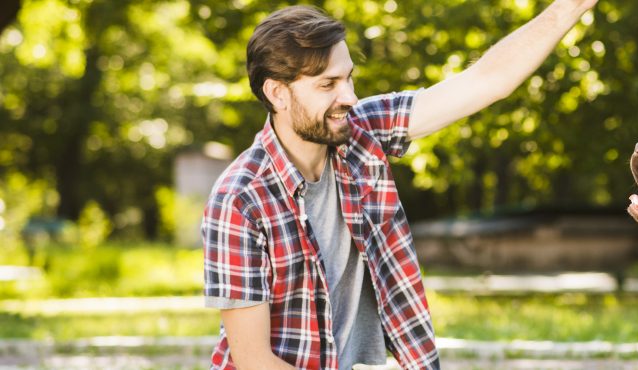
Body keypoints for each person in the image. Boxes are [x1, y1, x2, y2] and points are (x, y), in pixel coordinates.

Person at [200, 1, 596, 369]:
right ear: (277, 93)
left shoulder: (361, 134)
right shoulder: (239, 200)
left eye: (349, 78)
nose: (350, 97)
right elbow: (253, 361)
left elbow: (487, 80)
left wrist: (568, 7)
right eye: (328, 84)